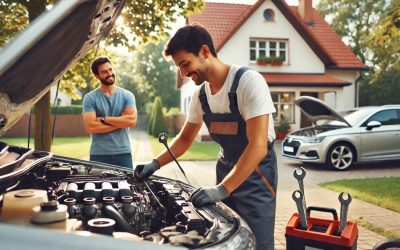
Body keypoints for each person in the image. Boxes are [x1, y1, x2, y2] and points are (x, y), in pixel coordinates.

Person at [134, 24, 277, 250]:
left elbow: (258, 146)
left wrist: (223, 188)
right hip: (226, 169)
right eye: (179, 68)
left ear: (205, 52)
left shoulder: (249, 82)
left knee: (259, 244)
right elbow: (185, 138)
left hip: (257, 175)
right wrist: (155, 163)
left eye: (185, 64)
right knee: (228, 240)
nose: (183, 74)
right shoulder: (200, 95)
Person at [82, 56, 137, 169]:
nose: (109, 74)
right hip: (99, 155)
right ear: (97, 76)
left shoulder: (127, 95)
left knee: (126, 187)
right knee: (97, 187)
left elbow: (131, 121)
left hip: (123, 154)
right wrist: (121, 121)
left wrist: (103, 119)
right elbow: (90, 127)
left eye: (110, 69)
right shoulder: (90, 98)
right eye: (104, 72)